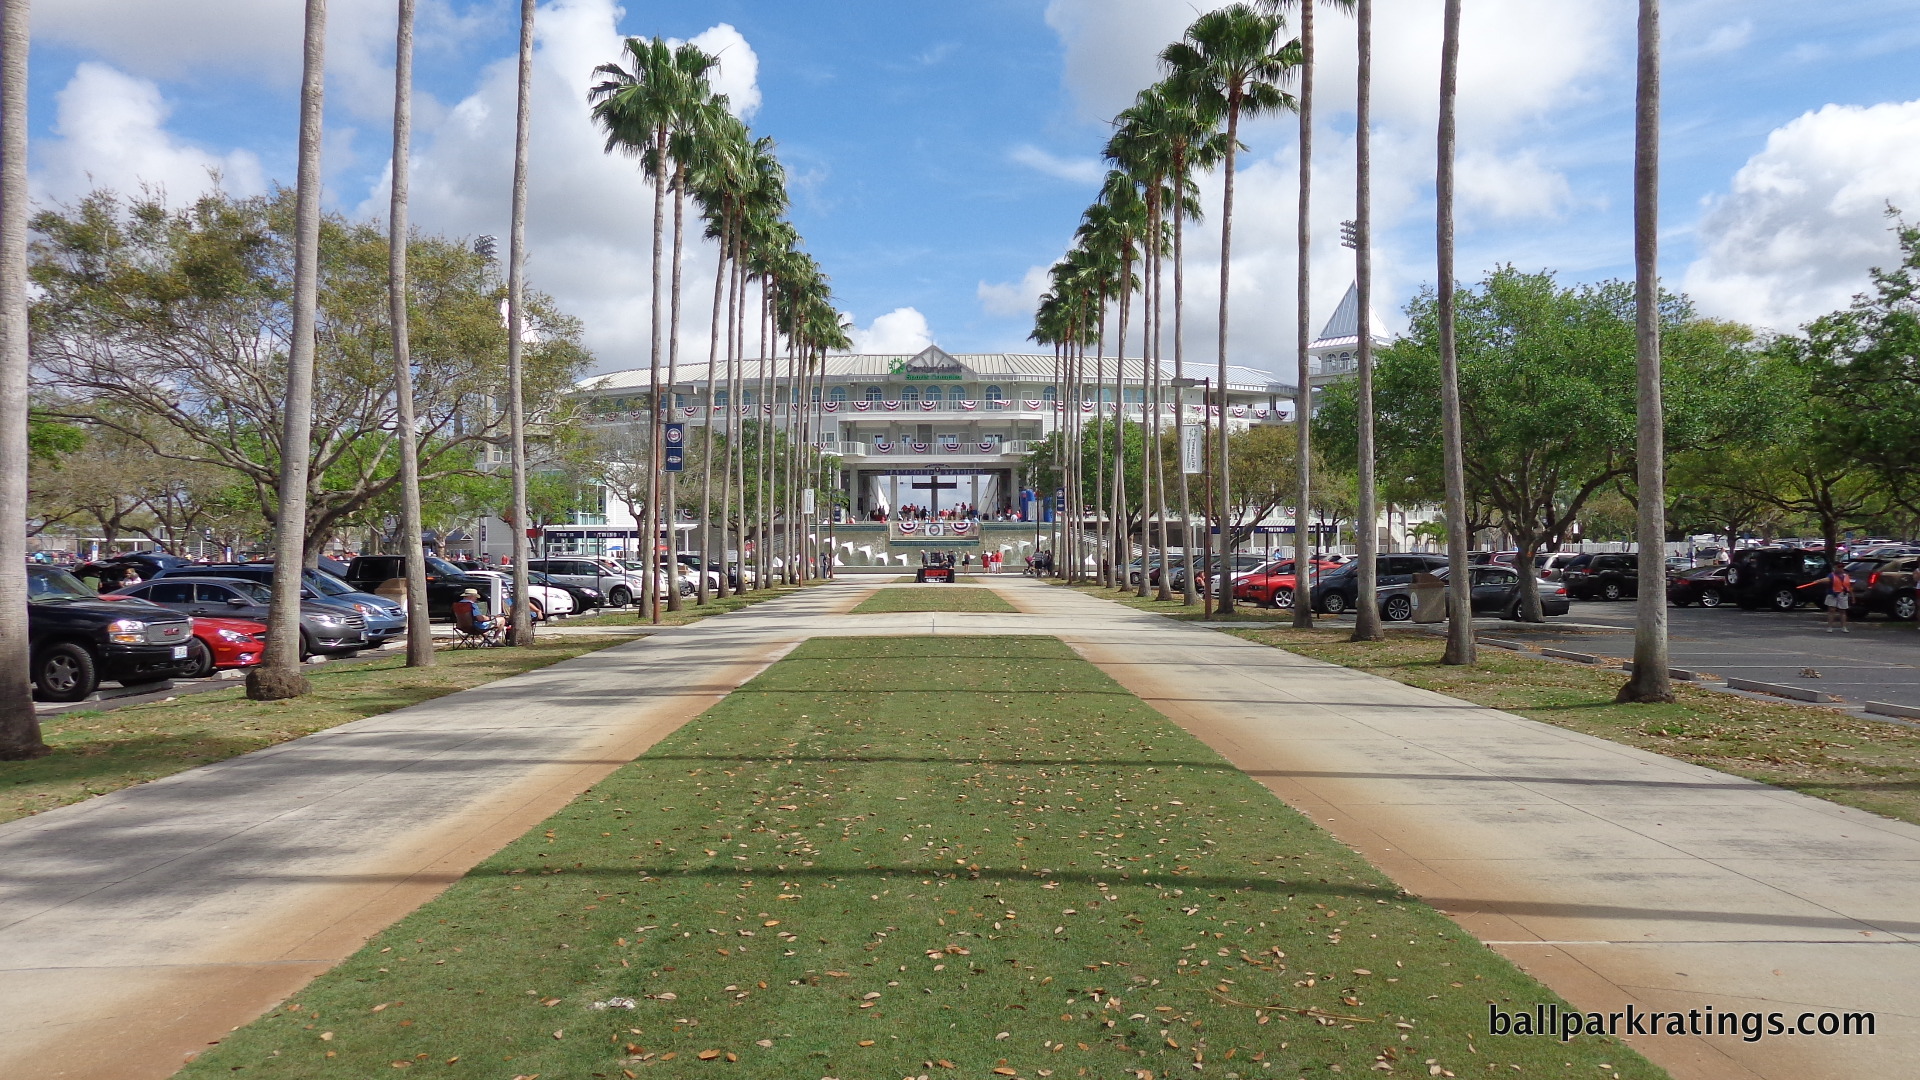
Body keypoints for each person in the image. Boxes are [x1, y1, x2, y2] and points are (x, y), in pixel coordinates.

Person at [1825, 562, 1854, 633]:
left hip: (1843, 594)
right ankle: (1830, 627)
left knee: (1843, 611)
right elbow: (1826, 580)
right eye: (1839, 567)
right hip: (1832, 594)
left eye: (1842, 567)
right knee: (1831, 610)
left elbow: (1849, 587)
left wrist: (1853, 597)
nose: (1840, 568)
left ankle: (1844, 627)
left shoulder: (1846, 576)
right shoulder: (1831, 575)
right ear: (1835, 567)